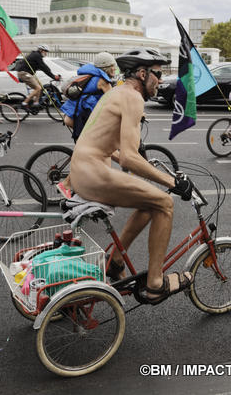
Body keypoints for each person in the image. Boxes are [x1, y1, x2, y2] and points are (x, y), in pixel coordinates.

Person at [68, 48, 195, 304]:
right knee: (165, 203)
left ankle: (114, 261)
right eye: (158, 74)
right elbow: (128, 157)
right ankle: (156, 283)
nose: (160, 80)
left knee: (149, 203)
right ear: (142, 73)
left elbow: (105, 145)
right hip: (93, 172)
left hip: (83, 170)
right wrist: (173, 182)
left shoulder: (115, 92)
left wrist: (148, 172)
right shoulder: (133, 98)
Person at [55, 52, 117, 199]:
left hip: (72, 116)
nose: (115, 70)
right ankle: (67, 184)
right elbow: (115, 100)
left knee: (92, 151)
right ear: (106, 67)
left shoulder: (90, 75)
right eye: (113, 67)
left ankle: (97, 184)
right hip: (81, 119)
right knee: (93, 151)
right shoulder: (102, 81)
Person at [13, 44, 60, 109]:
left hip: (27, 73)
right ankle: (25, 103)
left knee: (39, 87)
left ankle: (36, 103)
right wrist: (53, 76)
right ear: (41, 50)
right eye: (45, 51)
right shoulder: (37, 55)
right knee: (38, 88)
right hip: (24, 73)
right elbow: (44, 67)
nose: (46, 53)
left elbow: (43, 67)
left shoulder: (36, 55)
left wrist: (52, 75)